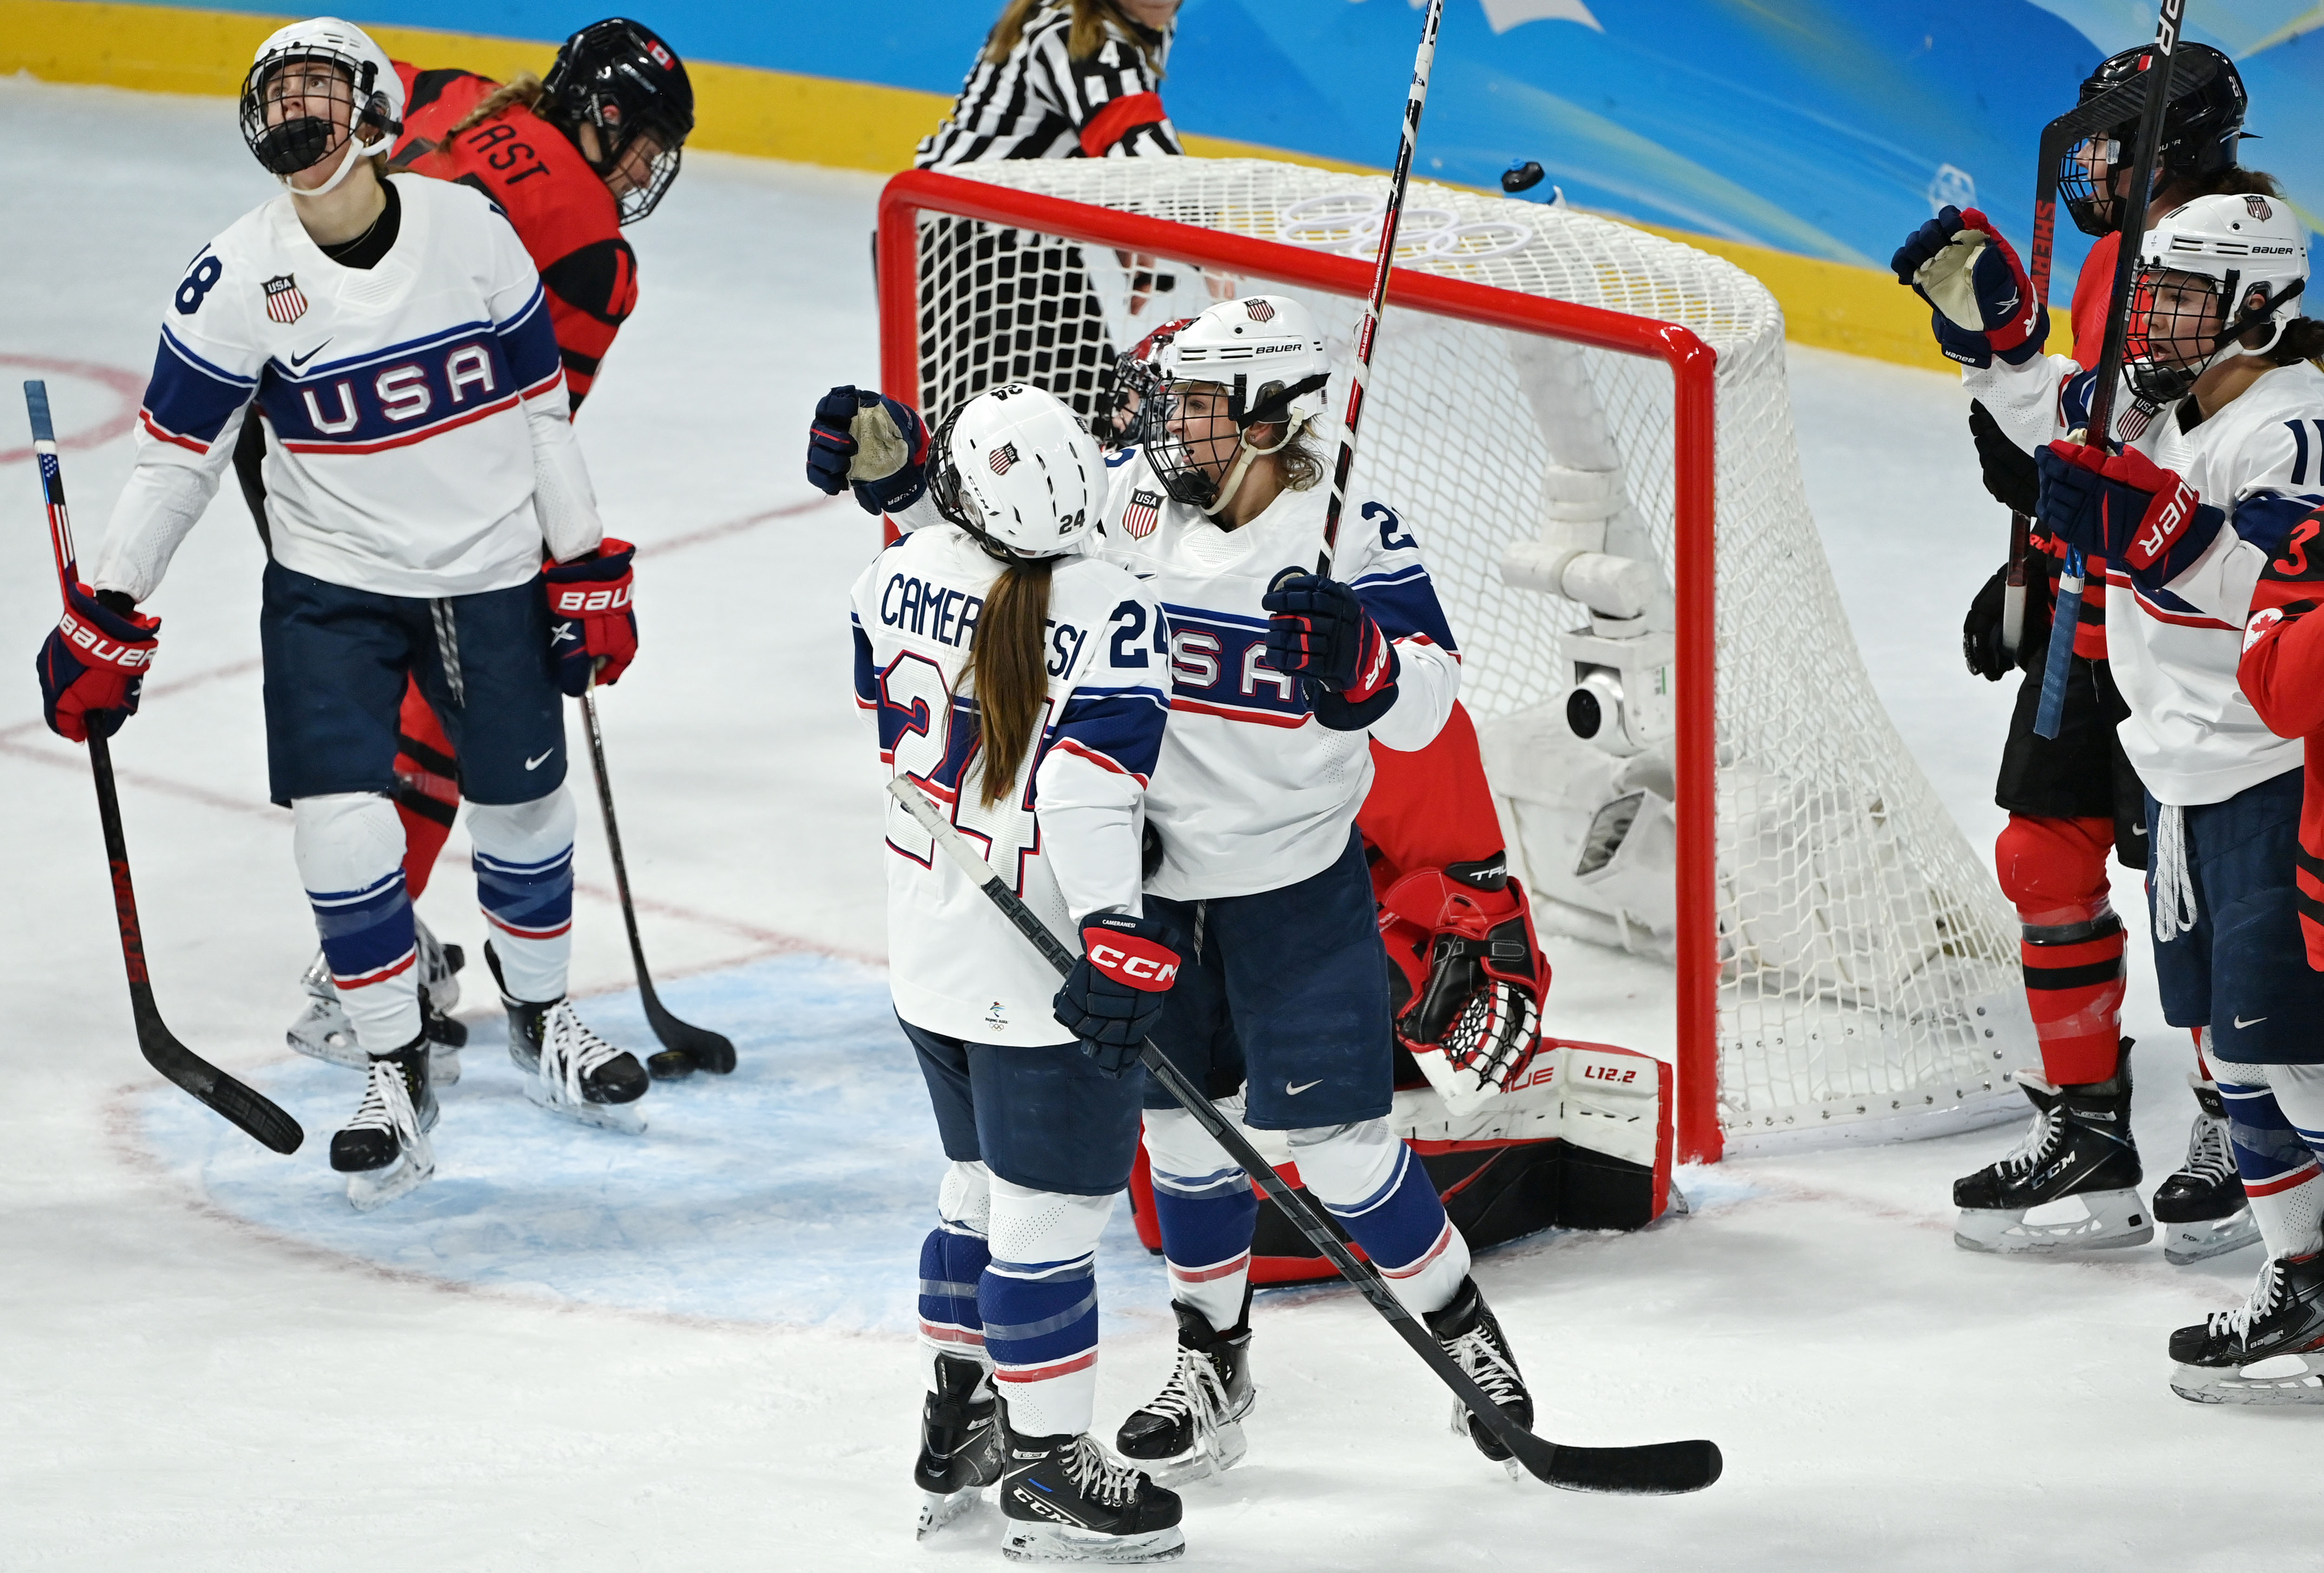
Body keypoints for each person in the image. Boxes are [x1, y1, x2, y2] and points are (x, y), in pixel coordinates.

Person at [36, 17, 650, 1209]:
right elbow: (176, 457)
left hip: (481, 561)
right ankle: (387, 1061)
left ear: (374, 114)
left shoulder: (474, 238)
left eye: (320, 91)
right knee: (339, 822)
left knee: (524, 805)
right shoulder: (233, 278)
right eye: (278, 96)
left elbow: (538, 415)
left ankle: (544, 1016)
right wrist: (108, 607)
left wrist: (583, 564)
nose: (295, 116)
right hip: (332, 577)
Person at [264, 18, 699, 1080]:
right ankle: (353, 977)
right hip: (403, 467)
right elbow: (532, 428)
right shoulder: (593, 249)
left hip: (282, 414)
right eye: (642, 140)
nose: (644, 169)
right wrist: (573, 569)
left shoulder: (445, 87)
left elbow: (322, 100)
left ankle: (371, 950)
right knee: (459, 712)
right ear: (599, 114)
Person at [1895, 43, 2275, 1259]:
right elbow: (2077, 440)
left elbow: (2203, 464)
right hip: (2092, 609)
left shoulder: (2233, 265)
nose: (2094, 159)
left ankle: (2241, 1129)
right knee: (2041, 855)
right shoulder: (2118, 260)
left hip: (2193, 635)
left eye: (2118, 138)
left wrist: (2099, 503)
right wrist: (2002, 356)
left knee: (2205, 899)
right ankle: (2092, 1132)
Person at [814, 383, 1184, 1559]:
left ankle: (959, 1423)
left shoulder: (890, 571)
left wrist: (915, 494)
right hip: (1038, 966)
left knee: (970, 1183)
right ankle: (1045, 1464)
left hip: (926, 950)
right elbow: (1087, 788)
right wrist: (1118, 930)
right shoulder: (1112, 609)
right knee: (1047, 1216)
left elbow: (896, 674)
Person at [1098, 319, 1551, 1112]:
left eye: (1182, 406)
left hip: (1310, 934)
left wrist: (1465, 960)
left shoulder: (1341, 577)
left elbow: (1426, 732)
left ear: (1260, 421)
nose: (1151, 429)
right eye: (1155, 405)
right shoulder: (1125, 514)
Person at [2032, 191, 2324, 1400]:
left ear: (2260, 306)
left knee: (2302, 1056)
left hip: (2271, 773)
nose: (2157, 322)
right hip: (2182, 773)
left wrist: (2158, 536)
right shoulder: (2170, 406)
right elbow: (2053, 442)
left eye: (2186, 301)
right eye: (2154, 295)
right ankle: (2303, 1285)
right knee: (2236, 1060)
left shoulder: (2295, 424)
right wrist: (1997, 357)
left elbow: (2292, 602)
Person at [914, 0, 1186, 424]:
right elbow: (1138, 140)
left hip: (1032, 242)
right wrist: (1207, 242)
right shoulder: (1071, 32)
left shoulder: (1145, 21)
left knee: (1089, 423)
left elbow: (1094, 135)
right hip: (959, 247)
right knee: (980, 439)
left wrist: (1125, 210)